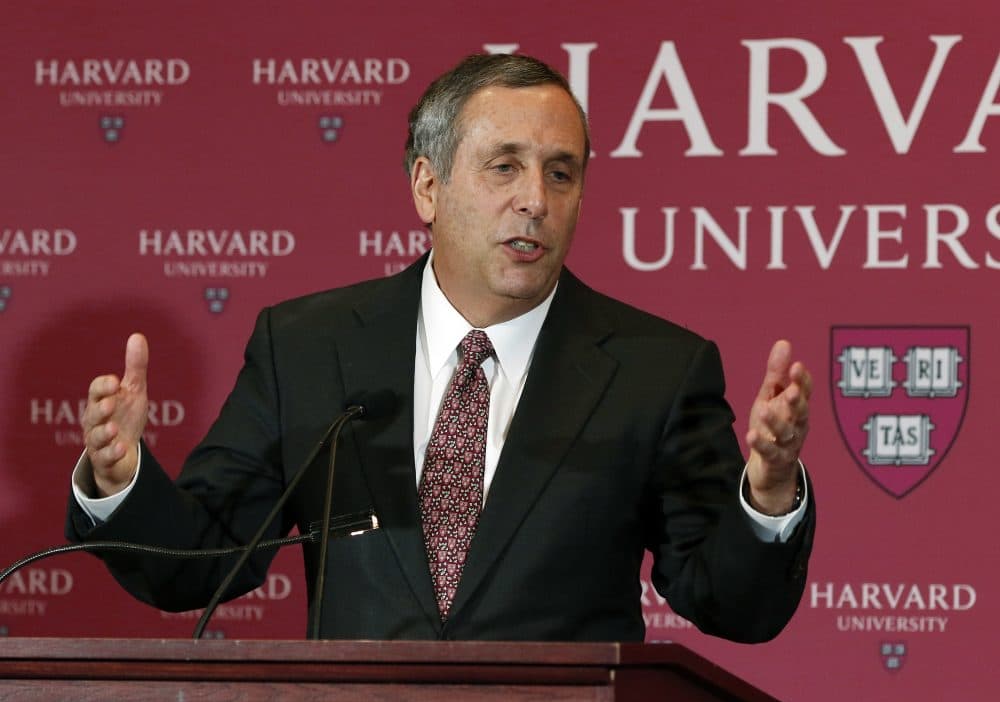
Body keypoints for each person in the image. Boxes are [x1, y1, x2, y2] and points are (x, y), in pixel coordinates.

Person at [68, 53, 814, 642]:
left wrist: (771, 492)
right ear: (428, 186)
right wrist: (122, 474)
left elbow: (731, 603)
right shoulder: (309, 347)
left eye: (562, 173)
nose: (536, 199)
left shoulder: (655, 369)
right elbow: (204, 561)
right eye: (505, 166)